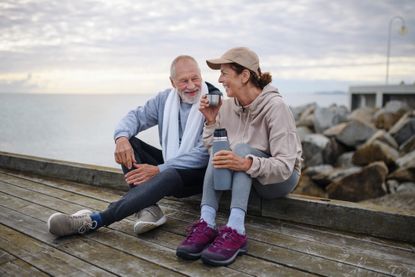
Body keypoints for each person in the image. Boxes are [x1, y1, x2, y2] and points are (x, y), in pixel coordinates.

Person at [47, 55, 220, 237]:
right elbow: (136, 117)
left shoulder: (214, 101)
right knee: (129, 144)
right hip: (170, 166)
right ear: (172, 82)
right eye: (184, 81)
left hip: (197, 176)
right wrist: (121, 138)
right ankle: (148, 208)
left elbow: (204, 153)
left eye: (195, 78)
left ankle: (96, 220)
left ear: (201, 76)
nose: (192, 86)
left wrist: (158, 169)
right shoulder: (164, 100)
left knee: (168, 173)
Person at [176, 47, 303, 266]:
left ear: (244, 76)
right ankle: (206, 223)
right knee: (221, 150)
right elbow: (211, 150)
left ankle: (236, 229)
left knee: (243, 150)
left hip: (280, 180)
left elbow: (284, 165)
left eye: (225, 73)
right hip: (248, 177)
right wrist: (211, 121)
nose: (220, 79)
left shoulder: (276, 108)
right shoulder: (226, 108)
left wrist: (245, 163)